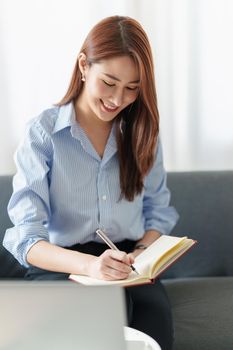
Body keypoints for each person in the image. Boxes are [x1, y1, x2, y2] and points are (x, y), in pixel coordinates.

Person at [3, 16, 178, 350]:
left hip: (128, 261)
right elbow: (27, 239)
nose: (117, 99)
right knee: (88, 331)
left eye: (132, 88)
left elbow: (158, 215)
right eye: (109, 82)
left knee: (153, 330)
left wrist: (139, 255)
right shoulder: (43, 133)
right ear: (84, 65)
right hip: (62, 263)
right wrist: (90, 266)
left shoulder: (144, 134)